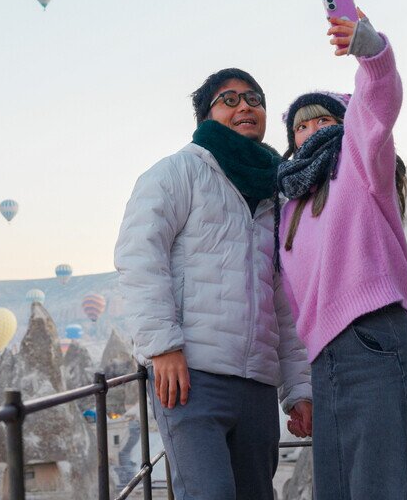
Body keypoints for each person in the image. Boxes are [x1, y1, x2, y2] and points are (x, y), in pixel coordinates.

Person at [115, 68, 313, 500]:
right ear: (205, 116)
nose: (245, 106)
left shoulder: (276, 192)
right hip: (191, 377)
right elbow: (139, 257)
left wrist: (298, 387)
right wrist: (163, 346)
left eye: (254, 98)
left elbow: (285, 298)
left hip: (258, 384)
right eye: (230, 99)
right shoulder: (177, 172)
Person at [275, 12, 407, 500]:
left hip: (373, 339)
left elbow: (379, 102)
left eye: (325, 118)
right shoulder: (288, 207)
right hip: (327, 362)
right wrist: (301, 386)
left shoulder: (361, 162)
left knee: (390, 487)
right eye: (302, 125)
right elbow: (297, 306)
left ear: (344, 121)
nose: (313, 129)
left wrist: (369, 48)